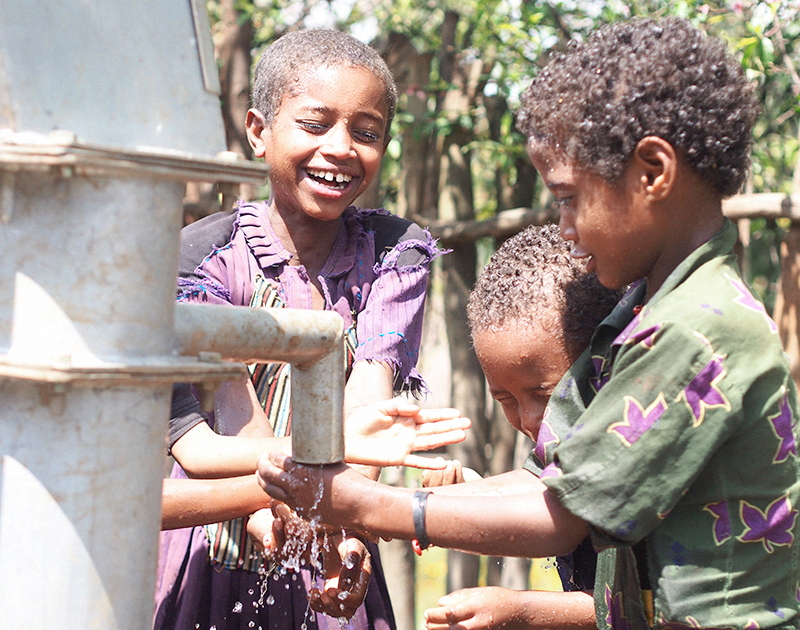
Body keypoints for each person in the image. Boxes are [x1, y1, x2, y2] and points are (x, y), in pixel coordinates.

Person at [257, 17, 800, 630]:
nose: (564, 226)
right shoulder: (646, 313)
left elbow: (561, 516)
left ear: (653, 173)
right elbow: (547, 481)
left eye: (568, 198)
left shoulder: (697, 330)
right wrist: (380, 504)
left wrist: (369, 504)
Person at [154, 28, 470, 630]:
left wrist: (345, 535)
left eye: (367, 133)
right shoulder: (202, 257)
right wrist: (291, 495)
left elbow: (369, 395)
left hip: (335, 535)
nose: (341, 148)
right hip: (214, 535)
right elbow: (223, 424)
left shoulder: (393, 252)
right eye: (314, 124)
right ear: (258, 131)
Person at [421, 223, 621, 630]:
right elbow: (543, 495)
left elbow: (643, 604)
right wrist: (473, 492)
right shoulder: (566, 448)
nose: (528, 419)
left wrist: (523, 610)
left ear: (601, 365)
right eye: (505, 399)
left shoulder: (636, 447)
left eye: (544, 394)